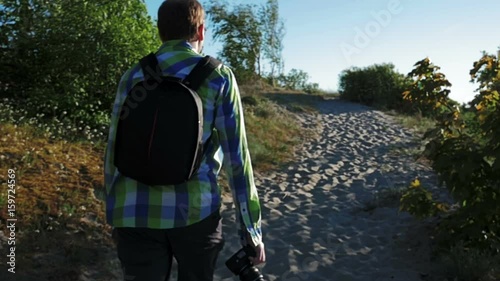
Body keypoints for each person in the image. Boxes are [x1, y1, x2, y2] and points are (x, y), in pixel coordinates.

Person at [102, 0, 265, 280]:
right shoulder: (218, 76)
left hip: (133, 213)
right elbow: (237, 159)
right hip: (195, 213)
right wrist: (250, 230)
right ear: (201, 31)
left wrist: (114, 213)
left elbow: (113, 149)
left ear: (159, 31)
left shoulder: (134, 75)